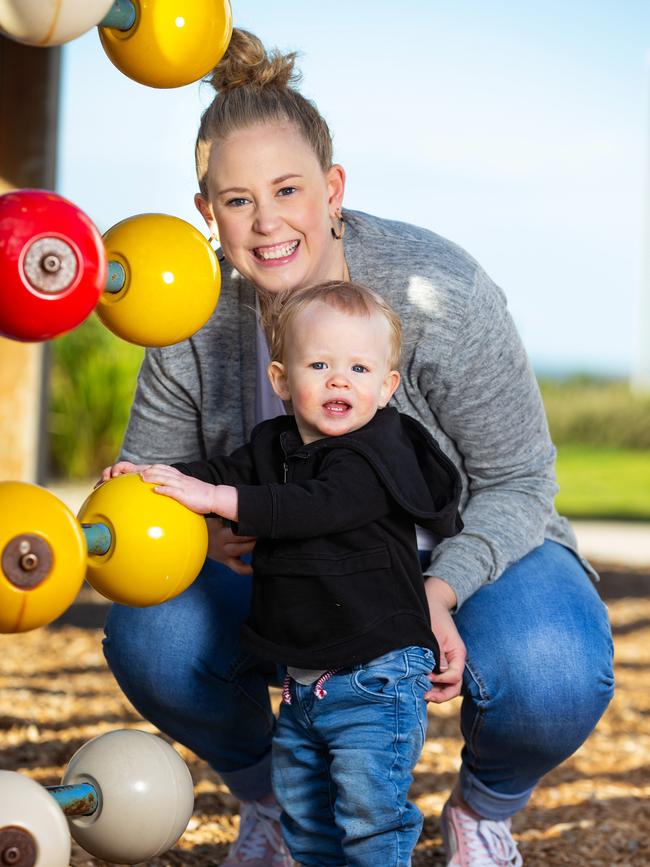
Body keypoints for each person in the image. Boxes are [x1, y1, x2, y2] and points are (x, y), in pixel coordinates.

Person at [102, 28, 615, 867]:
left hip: (446, 555)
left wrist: (443, 588)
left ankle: (482, 812)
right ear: (206, 214)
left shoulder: (439, 290)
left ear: (332, 188)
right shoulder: (185, 320)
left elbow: (520, 478)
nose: (266, 222)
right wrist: (203, 528)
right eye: (236, 200)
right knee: (151, 630)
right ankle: (275, 799)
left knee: (553, 667)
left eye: (288, 189)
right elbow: (155, 493)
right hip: (286, 578)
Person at [102, 280, 464, 866]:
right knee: (307, 813)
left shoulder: (376, 453)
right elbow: (222, 470)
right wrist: (156, 477)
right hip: (306, 677)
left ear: (386, 385)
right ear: (280, 380)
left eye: (358, 367)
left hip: (377, 670)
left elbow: (311, 506)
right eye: (319, 364)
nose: (339, 379)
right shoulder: (275, 442)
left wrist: (217, 498)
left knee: (370, 814)